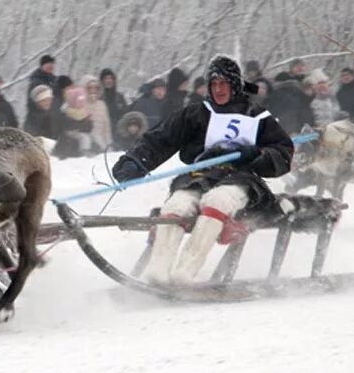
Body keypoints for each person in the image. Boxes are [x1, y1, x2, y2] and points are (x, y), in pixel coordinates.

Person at [112, 55, 293, 284]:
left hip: (241, 179)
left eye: (223, 84)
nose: (218, 89)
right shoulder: (197, 113)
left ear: (235, 84)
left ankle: (185, 272)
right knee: (175, 205)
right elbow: (160, 140)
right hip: (200, 176)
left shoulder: (257, 116)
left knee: (217, 201)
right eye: (213, 84)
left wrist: (259, 155)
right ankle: (157, 270)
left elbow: (284, 152)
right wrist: (135, 162)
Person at [81, 75, 112, 151]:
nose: (93, 90)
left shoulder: (102, 104)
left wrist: (109, 144)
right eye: (90, 87)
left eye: (96, 87)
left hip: (102, 145)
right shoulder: (80, 104)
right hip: (85, 145)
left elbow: (107, 128)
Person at [99, 68, 128, 137]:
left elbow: (125, 116)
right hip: (102, 132)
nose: (109, 81)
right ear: (102, 81)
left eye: (111, 78)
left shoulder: (120, 97)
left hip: (118, 133)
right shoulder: (98, 98)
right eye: (106, 78)